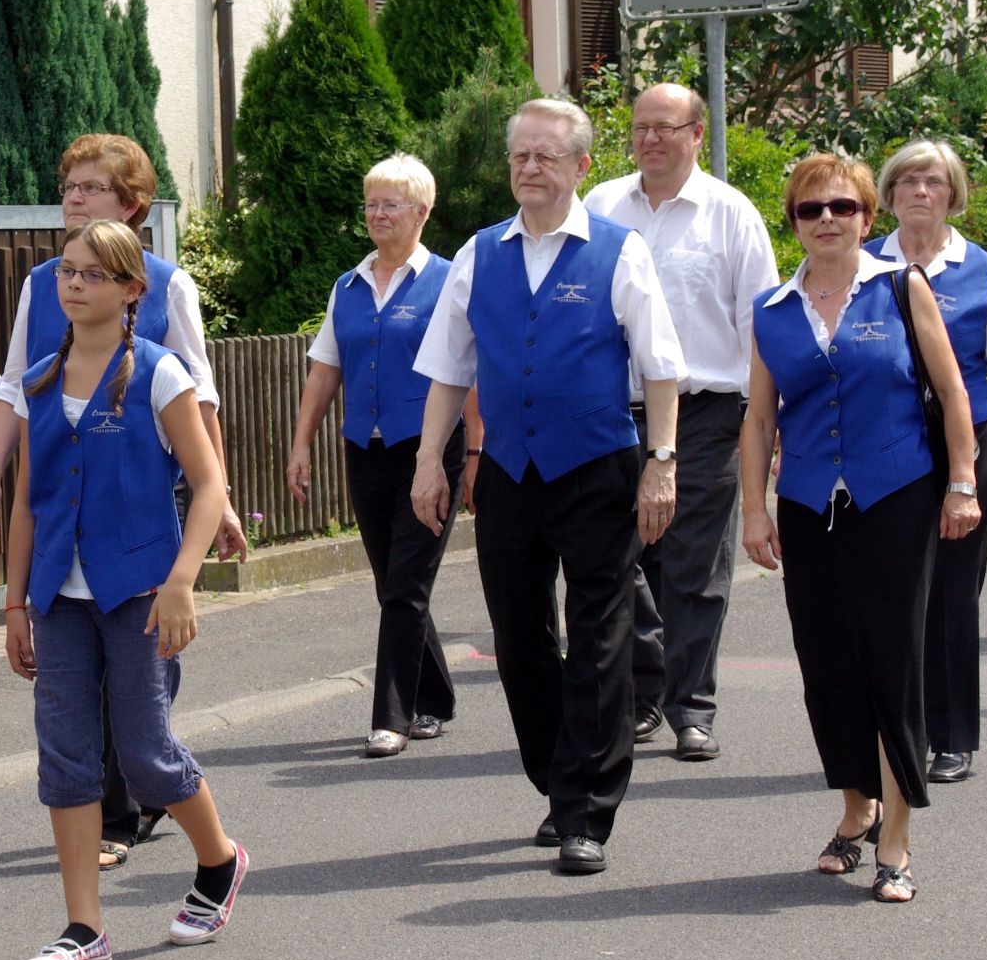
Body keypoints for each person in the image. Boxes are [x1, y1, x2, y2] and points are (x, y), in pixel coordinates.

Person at [411, 98, 685, 876]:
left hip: (597, 468)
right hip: (508, 474)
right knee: (520, 640)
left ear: (580, 168)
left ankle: (586, 811)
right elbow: (446, 368)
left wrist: (661, 463)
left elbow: (661, 366)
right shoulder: (479, 254)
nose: (530, 169)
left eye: (546, 157)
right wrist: (431, 459)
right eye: (520, 157)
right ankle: (557, 779)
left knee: (601, 638)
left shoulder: (617, 252)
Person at [0, 133, 245, 867]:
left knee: (143, 720)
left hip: (138, 526)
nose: (74, 197)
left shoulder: (166, 287)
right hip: (62, 548)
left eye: (90, 188)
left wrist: (219, 502)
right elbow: (15, 393)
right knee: (68, 730)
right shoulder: (40, 287)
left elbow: (199, 397)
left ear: (131, 204)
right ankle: (91, 889)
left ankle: (189, 831)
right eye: (69, 187)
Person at [3, 220, 246, 960]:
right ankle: (84, 926)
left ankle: (220, 862)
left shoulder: (160, 374)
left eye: (93, 275)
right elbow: (26, 504)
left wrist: (180, 583)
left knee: (144, 753)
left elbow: (208, 488)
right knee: (66, 756)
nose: (73, 285)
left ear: (132, 290)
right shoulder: (40, 379)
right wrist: (15, 605)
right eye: (66, 273)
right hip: (57, 598)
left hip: (138, 591)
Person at [741, 155, 981, 906]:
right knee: (826, 663)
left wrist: (965, 482)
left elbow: (950, 392)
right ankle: (855, 806)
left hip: (898, 497)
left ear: (866, 218)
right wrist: (754, 508)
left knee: (890, 661)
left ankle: (897, 837)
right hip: (810, 504)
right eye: (810, 210)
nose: (826, 220)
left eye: (842, 207)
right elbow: (757, 419)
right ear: (794, 223)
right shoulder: (772, 309)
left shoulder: (901, 287)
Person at [583, 84, 778, 762]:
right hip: (613, 412)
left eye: (666, 129)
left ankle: (691, 708)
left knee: (695, 567)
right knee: (621, 560)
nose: (651, 141)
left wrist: (763, 420)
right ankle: (641, 697)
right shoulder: (600, 206)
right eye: (640, 129)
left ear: (698, 133)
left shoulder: (730, 215)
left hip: (705, 413)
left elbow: (761, 324)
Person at [286, 153, 478, 757]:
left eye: (389, 203)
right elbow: (325, 370)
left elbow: (471, 372)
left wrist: (474, 452)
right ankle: (437, 697)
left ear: (422, 211)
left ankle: (391, 715)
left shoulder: (450, 281)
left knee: (405, 585)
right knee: (392, 583)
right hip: (363, 450)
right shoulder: (348, 285)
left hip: (429, 452)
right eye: (370, 202)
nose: (376, 213)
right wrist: (301, 445)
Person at [875, 140, 987, 783]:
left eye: (934, 182)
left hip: (965, 442)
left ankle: (952, 735)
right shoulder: (862, 265)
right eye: (908, 181)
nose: (920, 191)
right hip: (881, 442)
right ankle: (895, 726)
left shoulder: (981, 270)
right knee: (888, 587)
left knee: (950, 589)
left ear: (953, 195)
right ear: (887, 195)